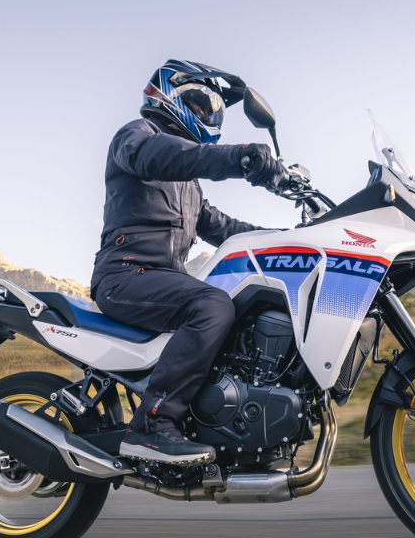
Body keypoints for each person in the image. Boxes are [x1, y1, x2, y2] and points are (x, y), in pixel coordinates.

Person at [91, 59, 288, 465]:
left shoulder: (188, 186)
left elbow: (223, 226)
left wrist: (288, 240)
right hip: (126, 275)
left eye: (210, 109)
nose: (204, 114)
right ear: (166, 93)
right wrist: (239, 157)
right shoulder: (137, 137)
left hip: (161, 280)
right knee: (213, 305)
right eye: (196, 103)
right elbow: (165, 155)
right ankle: (151, 426)